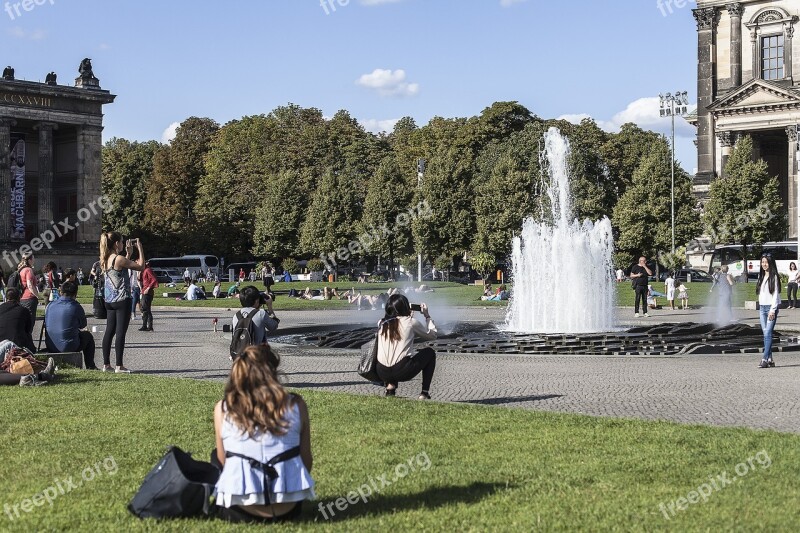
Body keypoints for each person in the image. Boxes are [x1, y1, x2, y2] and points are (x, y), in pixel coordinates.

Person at [212, 345, 314, 523]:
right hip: (288, 507)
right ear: (273, 372)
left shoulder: (223, 408)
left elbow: (223, 462)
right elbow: (306, 461)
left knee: (216, 455)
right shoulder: (296, 405)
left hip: (240, 507)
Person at [376, 294, 438, 399]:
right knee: (430, 353)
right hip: (402, 371)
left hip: (381, 372)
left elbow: (397, 329)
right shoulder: (411, 322)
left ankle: (390, 389)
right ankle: (424, 393)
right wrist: (427, 316)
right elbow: (432, 335)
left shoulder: (381, 323)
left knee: (392, 353)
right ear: (405, 307)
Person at [100, 233, 145, 373]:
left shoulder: (106, 258)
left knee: (109, 331)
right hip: (122, 299)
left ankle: (106, 364)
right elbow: (141, 266)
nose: (122, 243)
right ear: (116, 244)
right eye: (121, 242)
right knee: (120, 333)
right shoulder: (118, 258)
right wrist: (140, 248)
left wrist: (128, 254)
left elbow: (119, 270)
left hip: (109, 300)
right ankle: (119, 365)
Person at [44, 281, 98, 370]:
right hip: (68, 346)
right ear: (75, 294)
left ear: (60, 292)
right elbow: (83, 325)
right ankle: (90, 365)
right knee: (88, 336)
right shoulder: (75, 306)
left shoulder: (50, 305)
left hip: (51, 345)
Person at [757, 254, 781, 369]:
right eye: (762, 262)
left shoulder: (774, 276)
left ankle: (764, 359)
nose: (764, 264)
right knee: (766, 334)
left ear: (770, 263)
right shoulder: (761, 276)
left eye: (766, 262)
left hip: (771, 309)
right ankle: (770, 360)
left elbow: (775, 295)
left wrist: (772, 310)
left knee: (767, 334)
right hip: (762, 308)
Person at [0, 288, 35, 352]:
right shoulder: (24, 310)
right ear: (19, 297)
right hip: (17, 344)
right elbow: (28, 329)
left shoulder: (1, 308)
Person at [17, 252, 41, 325]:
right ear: (30, 260)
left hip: (22, 297)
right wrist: (37, 295)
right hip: (30, 298)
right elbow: (30, 285)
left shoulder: (21, 270)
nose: (34, 260)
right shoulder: (28, 270)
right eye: (33, 259)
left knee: (24, 320)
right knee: (30, 321)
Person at [139, 260, 158, 332]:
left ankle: (149, 326)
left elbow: (154, 279)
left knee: (146, 309)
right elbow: (139, 279)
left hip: (147, 292)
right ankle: (144, 325)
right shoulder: (143, 271)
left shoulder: (148, 270)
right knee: (144, 309)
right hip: (144, 291)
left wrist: (148, 288)